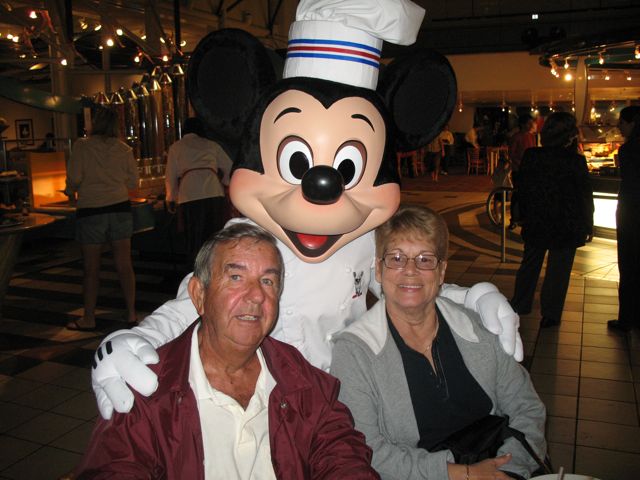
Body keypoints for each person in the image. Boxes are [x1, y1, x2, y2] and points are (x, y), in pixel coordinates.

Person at [76, 223, 379, 479]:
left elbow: (340, 450)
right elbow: (117, 466)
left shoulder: (298, 376)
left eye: (268, 281)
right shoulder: (149, 392)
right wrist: (137, 336)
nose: (256, 295)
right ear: (198, 295)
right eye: (236, 277)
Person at [330, 205, 547, 480]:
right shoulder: (355, 353)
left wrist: (508, 470)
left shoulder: (476, 327)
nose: (410, 270)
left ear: (442, 271)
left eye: (425, 259)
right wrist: (462, 474)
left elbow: (527, 407)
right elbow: (367, 449)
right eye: (396, 258)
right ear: (380, 270)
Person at [510, 112, 594, 328]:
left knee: (530, 264)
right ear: (569, 135)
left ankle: (519, 304)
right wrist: (588, 223)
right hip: (567, 222)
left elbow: (522, 188)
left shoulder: (532, 155)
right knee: (559, 270)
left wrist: (520, 214)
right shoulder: (575, 161)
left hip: (537, 219)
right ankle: (551, 313)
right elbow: (584, 195)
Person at [64, 107, 139, 330]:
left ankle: (89, 317)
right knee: (124, 265)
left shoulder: (82, 146)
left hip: (91, 210)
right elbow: (133, 182)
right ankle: (132, 313)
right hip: (120, 208)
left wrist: (69, 191)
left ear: (95, 123)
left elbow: (74, 178)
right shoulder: (124, 149)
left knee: (91, 268)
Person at [165, 116, 233, 267]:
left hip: (189, 194)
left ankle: (196, 269)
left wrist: (171, 198)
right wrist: (224, 182)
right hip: (213, 192)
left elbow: (170, 176)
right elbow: (230, 167)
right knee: (214, 235)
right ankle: (216, 267)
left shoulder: (176, 147)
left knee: (194, 238)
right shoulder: (211, 145)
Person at [608, 106, 640, 333]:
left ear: (633, 123)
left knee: (628, 264)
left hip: (631, 212)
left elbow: (628, 181)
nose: (619, 126)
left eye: (622, 122)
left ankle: (627, 317)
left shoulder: (628, 150)